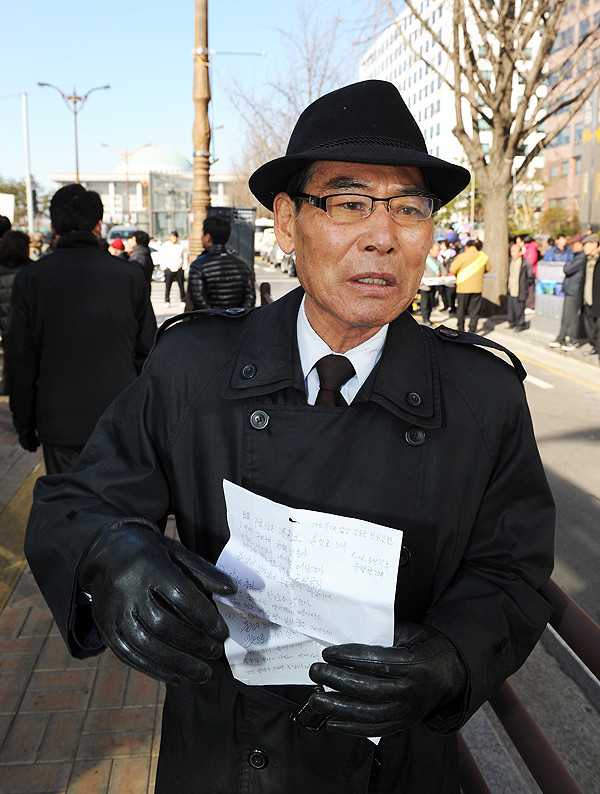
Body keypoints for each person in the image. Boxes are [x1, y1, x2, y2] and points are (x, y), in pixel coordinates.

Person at [23, 81, 554, 794]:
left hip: (394, 765)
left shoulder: (482, 397)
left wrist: (452, 658)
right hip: (221, 750)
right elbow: (74, 502)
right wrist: (110, 554)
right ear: (285, 221)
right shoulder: (194, 368)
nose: (383, 235)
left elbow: (513, 567)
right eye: (349, 203)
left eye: (409, 207)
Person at [6, 184, 157, 475]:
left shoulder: (30, 279)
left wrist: (23, 422)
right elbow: (148, 353)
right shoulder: (129, 276)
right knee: (115, 498)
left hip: (58, 420)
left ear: (53, 226)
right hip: (118, 417)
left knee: (66, 497)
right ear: (98, 225)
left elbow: (20, 358)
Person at [185, 216, 255, 310]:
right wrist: (238, 315)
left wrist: (216, 316)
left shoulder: (197, 266)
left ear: (208, 237)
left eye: (202, 234)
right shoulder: (243, 265)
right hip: (237, 318)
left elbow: (198, 300)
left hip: (208, 319)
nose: (201, 237)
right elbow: (250, 297)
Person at [0, 230, 32, 394]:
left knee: (11, 360)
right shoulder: (32, 272)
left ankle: (8, 387)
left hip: (7, 329)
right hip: (30, 328)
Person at [548, 239, 586, 351]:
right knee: (565, 316)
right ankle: (561, 338)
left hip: (575, 290)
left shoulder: (582, 257)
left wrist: (566, 266)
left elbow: (568, 269)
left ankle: (573, 340)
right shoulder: (577, 256)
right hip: (570, 289)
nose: (574, 246)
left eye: (576, 244)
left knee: (572, 316)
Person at [449, 238, 490, 333]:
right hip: (477, 288)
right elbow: (488, 269)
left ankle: (460, 328)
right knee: (474, 311)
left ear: (467, 247)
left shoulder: (462, 256)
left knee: (461, 309)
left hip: (463, 287)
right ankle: (472, 329)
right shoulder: (482, 257)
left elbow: (452, 269)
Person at [506, 241, 535, 331]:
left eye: (515, 251)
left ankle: (520, 324)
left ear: (520, 252)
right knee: (511, 308)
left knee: (519, 308)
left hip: (520, 289)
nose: (513, 254)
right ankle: (512, 323)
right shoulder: (511, 261)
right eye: (511, 251)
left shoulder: (525, 263)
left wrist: (525, 285)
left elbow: (531, 276)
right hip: (511, 288)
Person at [580, 233, 600, 359]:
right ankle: (595, 347)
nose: (584, 248)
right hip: (587, 297)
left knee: (598, 326)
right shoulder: (587, 260)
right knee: (590, 325)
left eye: (586, 245)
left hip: (597, 299)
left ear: (595, 244)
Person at [160, 230, 187, 304]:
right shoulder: (165, 245)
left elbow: (184, 257)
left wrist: (184, 267)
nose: (174, 238)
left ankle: (183, 300)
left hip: (179, 268)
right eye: (172, 237)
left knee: (181, 286)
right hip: (169, 268)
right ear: (169, 237)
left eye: (175, 237)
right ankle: (167, 300)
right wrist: (164, 267)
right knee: (167, 286)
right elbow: (162, 257)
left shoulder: (181, 245)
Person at [418, 241, 441, 326]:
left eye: (438, 250)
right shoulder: (425, 259)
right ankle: (425, 318)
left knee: (431, 302)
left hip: (434, 285)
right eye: (436, 250)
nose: (437, 252)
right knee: (425, 303)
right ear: (430, 250)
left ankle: (428, 317)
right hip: (425, 286)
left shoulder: (438, 260)